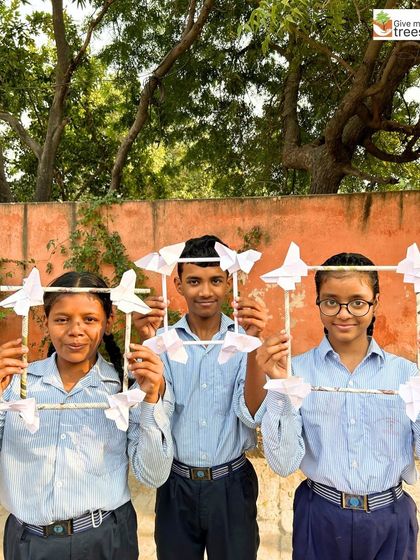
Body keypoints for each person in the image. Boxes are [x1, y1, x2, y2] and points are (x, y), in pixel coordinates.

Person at [256, 252, 420, 560]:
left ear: (376, 303)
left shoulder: (407, 375)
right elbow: (283, 463)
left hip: (391, 518)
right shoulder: (295, 371)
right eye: (331, 301)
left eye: (357, 302)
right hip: (320, 515)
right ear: (317, 302)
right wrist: (280, 387)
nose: (344, 313)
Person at [0, 271, 173, 560]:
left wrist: (152, 398)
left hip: (106, 538)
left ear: (108, 322)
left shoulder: (125, 388)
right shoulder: (15, 384)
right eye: (62, 319)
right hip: (28, 542)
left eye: (90, 319)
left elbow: (153, 474)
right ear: (45, 320)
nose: (75, 330)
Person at [133, 234, 268, 560]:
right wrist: (147, 341)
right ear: (177, 284)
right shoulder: (162, 340)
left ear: (228, 282)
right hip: (176, 484)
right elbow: (156, 410)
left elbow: (252, 414)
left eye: (215, 280)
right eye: (194, 281)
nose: (205, 291)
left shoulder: (241, 339)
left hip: (232, 485)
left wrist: (254, 345)